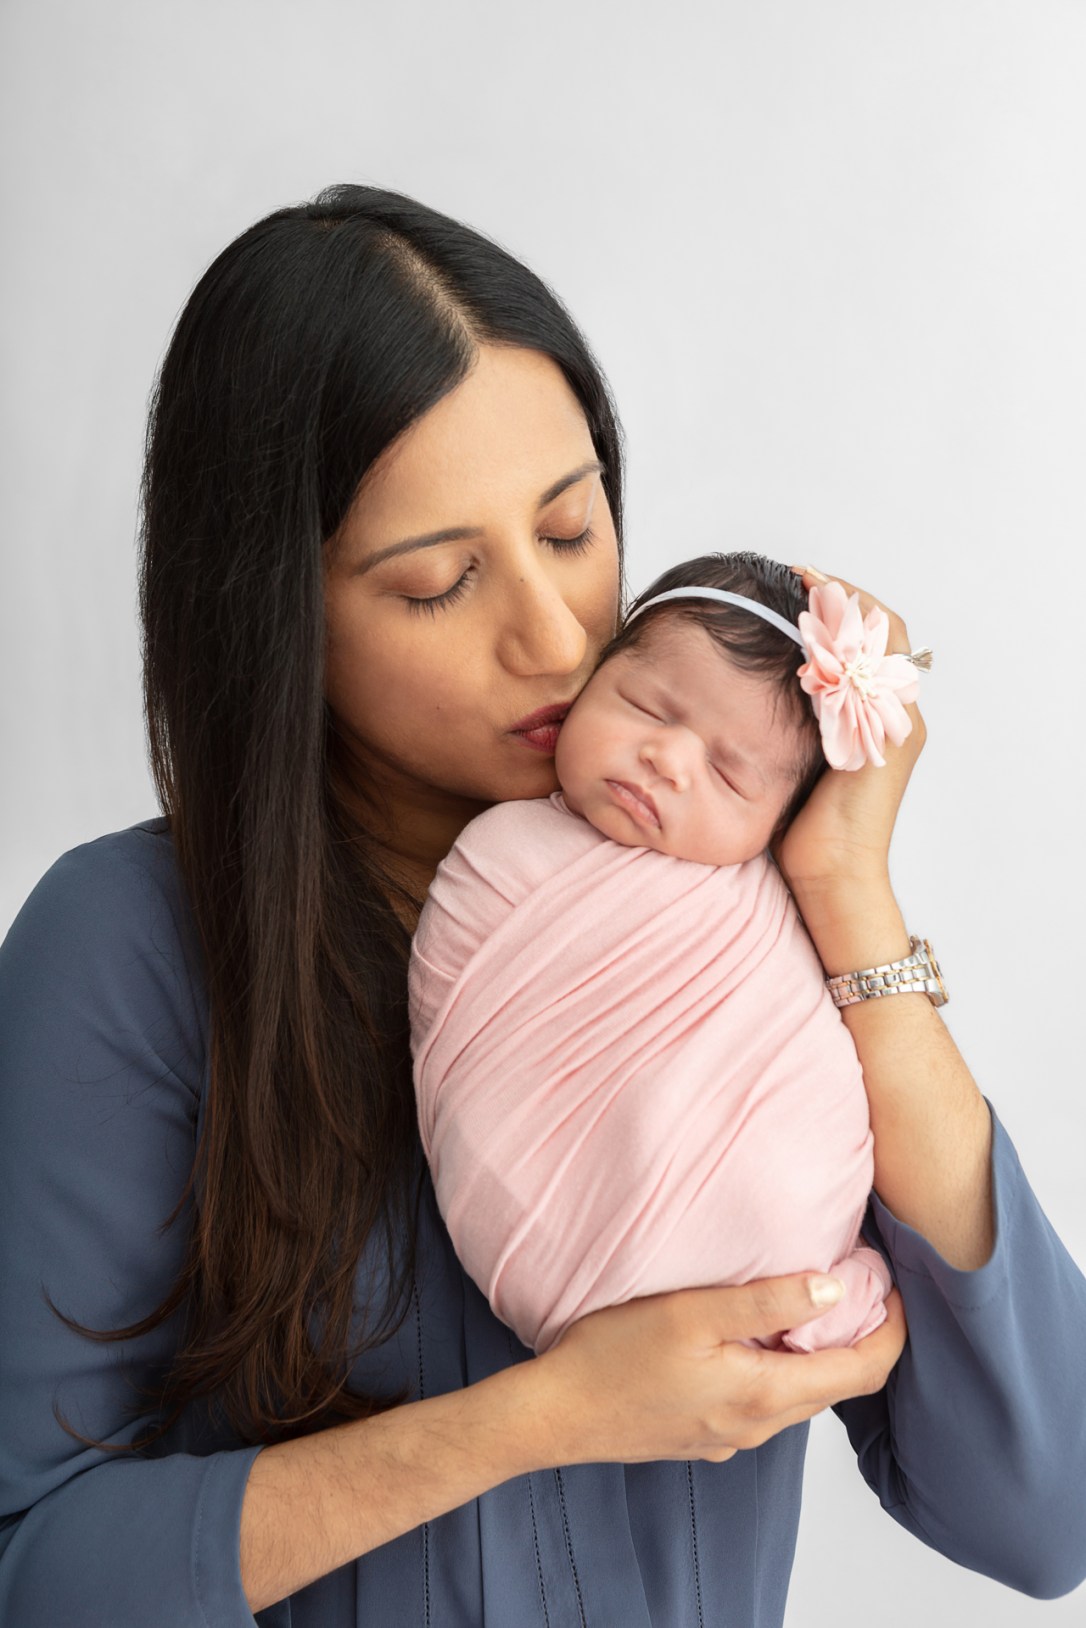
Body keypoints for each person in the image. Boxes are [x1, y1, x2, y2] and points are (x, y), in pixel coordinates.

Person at [0, 184, 1083, 1627]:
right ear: (277, 615)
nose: (560, 634)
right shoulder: (130, 948)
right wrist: (547, 1415)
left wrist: (845, 900)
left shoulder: (732, 907)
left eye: (572, 530)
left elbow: (1044, 1505)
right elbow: (36, 1562)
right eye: (441, 582)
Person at [411, 551, 910, 1357]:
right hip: (541, 1236)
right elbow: (471, 1059)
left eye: (728, 773)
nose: (669, 760)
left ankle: (799, 1282)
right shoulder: (498, 856)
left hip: (765, 1235)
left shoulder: (765, 912)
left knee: (785, 1176)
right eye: (644, 707)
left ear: (780, 823)